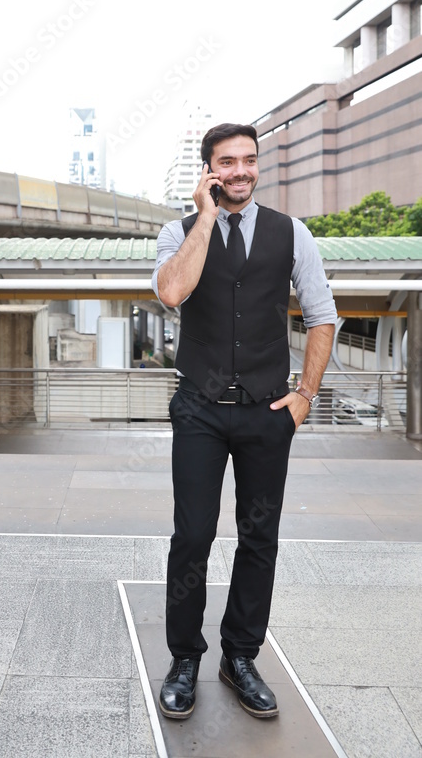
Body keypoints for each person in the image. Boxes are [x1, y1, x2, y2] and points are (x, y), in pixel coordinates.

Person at [152, 122, 336, 720]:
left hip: (266, 411)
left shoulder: (292, 233)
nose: (240, 172)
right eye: (226, 162)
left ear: (259, 165)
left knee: (260, 539)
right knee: (194, 535)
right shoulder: (177, 233)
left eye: (248, 161)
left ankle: (240, 657)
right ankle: (185, 659)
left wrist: (305, 396)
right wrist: (203, 217)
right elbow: (173, 293)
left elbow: (322, 314)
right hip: (200, 410)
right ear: (208, 170)